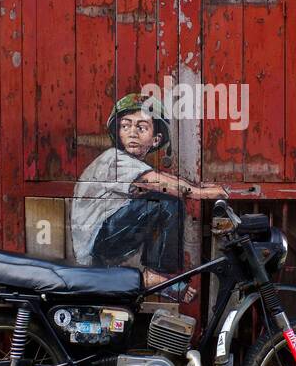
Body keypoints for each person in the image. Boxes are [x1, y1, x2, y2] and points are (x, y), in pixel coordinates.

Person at [71, 93, 226, 300]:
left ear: (156, 139)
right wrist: (200, 192)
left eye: (141, 127)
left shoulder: (132, 166)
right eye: (126, 126)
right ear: (118, 132)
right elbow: (160, 183)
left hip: (104, 242)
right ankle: (156, 274)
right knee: (166, 201)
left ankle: (156, 275)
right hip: (96, 245)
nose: (132, 133)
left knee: (160, 199)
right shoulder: (114, 159)